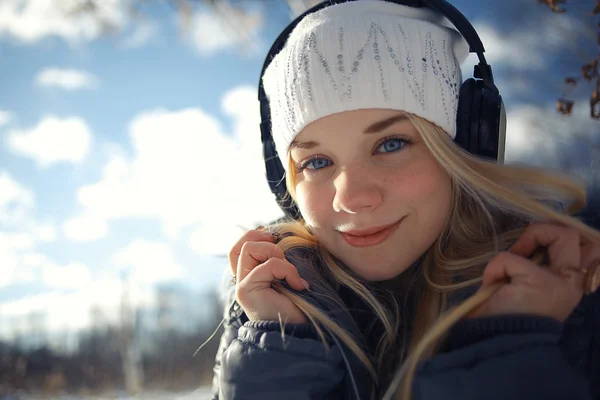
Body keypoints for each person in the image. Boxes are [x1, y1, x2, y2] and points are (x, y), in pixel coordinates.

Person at [210, 0, 600, 399]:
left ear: (466, 144)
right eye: (317, 161)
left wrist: (511, 344)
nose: (354, 198)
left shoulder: (572, 292)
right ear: (286, 183)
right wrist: (280, 350)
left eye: (390, 144)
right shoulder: (264, 316)